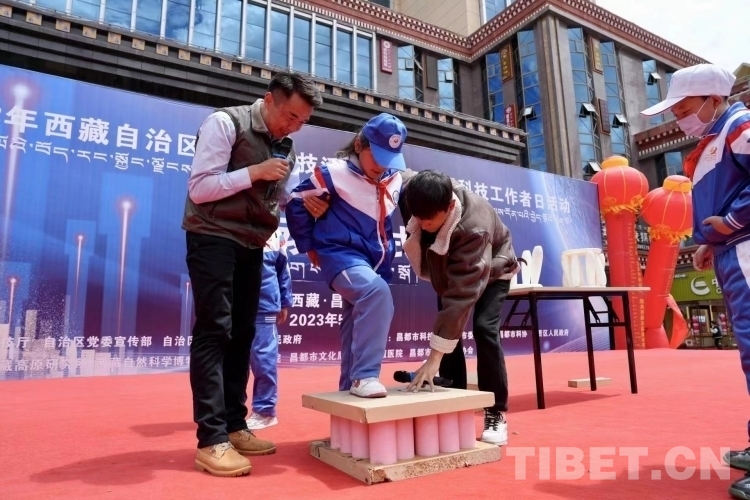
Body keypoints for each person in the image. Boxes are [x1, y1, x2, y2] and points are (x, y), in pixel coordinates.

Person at [181, 71, 324, 478]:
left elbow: (269, 196)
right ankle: (211, 440)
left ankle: (234, 425)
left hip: (251, 243)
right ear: (269, 99)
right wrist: (256, 172)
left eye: (302, 122)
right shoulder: (225, 123)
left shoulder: (285, 146)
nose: (294, 127)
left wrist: (302, 201)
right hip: (212, 235)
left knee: (243, 333)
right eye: (290, 116)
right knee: (215, 331)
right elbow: (201, 188)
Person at [640, 63, 750, 499]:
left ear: (714, 99)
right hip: (730, 249)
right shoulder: (713, 138)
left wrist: (730, 222)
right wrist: (710, 239)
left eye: (684, 109)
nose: (679, 118)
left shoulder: (739, 126)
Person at [397, 169, 523, 446]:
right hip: (451, 271)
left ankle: (495, 411)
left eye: (430, 220)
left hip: (494, 267)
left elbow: (460, 298)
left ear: (450, 206)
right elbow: (395, 174)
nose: (423, 225)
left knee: (484, 330)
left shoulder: (473, 226)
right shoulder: (413, 194)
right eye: (418, 218)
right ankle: (454, 402)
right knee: (448, 333)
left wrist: (433, 359)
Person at [285, 113, 407, 398]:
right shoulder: (333, 172)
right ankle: (365, 376)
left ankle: (349, 390)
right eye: (377, 156)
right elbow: (296, 203)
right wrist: (310, 247)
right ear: (359, 145)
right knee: (376, 293)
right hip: (340, 254)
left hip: (375, 262)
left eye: (389, 158)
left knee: (356, 321)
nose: (382, 165)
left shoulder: (395, 178)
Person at [246, 230, 292, 431]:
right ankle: (232, 411)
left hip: (264, 306)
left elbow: (283, 269)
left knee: (263, 360)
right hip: (234, 305)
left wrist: (284, 301)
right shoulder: (232, 224)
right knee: (234, 361)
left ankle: (265, 411)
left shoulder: (276, 234)